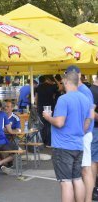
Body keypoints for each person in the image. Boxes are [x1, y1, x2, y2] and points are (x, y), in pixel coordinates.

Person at [43, 71, 92, 202]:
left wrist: (48, 117)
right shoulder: (85, 99)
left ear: (66, 81)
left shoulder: (63, 99)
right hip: (78, 144)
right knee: (77, 179)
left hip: (63, 145)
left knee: (65, 182)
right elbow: (88, 121)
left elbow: (59, 122)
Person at [66, 66, 95, 202]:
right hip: (78, 135)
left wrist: (82, 131)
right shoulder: (77, 90)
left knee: (85, 169)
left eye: (72, 74)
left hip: (83, 135)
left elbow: (90, 114)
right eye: (68, 74)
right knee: (79, 170)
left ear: (79, 74)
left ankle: (87, 199)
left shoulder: (84, 91)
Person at [35, 75, 58, 146]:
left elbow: (36, 98)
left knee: (41, 124)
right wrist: (55, 79)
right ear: (47, 79)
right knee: (48, 125)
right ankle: (48, 143)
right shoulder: (52, 86)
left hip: (40, 107)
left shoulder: (38, 87)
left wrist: (37, 106)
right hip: (49, 107)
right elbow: (60, 87)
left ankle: (42, 142)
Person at [90, 75, 98, 200]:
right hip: (95, 129)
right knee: (94, 160)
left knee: (93, 160)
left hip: (94, 130)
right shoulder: (93, 91)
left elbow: (91, 113)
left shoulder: (92, 90)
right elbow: (91, 112)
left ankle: (94, 189)